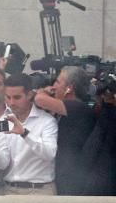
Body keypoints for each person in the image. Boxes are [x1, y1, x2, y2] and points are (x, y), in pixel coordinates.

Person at [0, 73, 58, 196]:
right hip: (8, 190)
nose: (11, 102)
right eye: (8, 97)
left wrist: (24, 133)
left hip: (40, 191)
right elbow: (2, 164)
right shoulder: (4, 120)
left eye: (17, 97)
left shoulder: (47, 121)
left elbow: (49, 154)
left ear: (29, 95)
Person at [34, 66, 96, 195]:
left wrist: (42, 91)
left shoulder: (78, 107)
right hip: (64, 173)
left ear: (70, 88)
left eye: (57, 82)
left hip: (73, 176)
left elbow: (39, 99)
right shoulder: (63, 109)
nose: (54, 85)